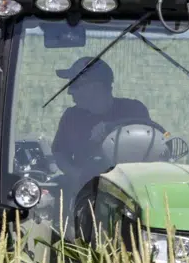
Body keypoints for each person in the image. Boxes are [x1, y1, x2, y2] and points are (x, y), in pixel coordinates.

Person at [50, 58, 151, 186]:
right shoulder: (71, 116)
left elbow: (154, 142)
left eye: (74, 85)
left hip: (130, 188)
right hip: (84, 192)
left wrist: (113, 130)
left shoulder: (134, 110)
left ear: (95, 87)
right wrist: (78, 176)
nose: (69, 92)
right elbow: (60, 153)